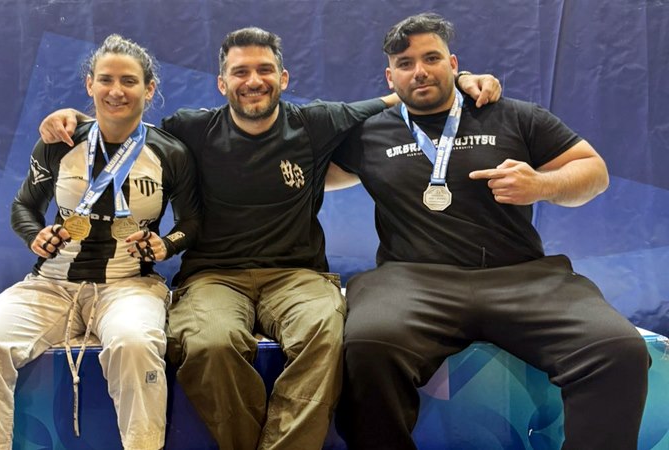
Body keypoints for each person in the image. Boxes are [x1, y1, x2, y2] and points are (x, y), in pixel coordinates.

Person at [39, 27, 500, 450]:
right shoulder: (190, 129)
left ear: (283, 78)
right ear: (222, 84)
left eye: (264, 70)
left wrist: (460, 81)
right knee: (209, 345)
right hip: (212, 278)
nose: (253, 81)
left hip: (298, 276)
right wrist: (76, 119)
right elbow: (124, 129)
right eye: (240, 72)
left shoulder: (316, 121)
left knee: (325, 336)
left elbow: (396, 96)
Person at [330, 13, 651, 450]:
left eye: (431, 58)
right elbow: (304, 168)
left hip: (523, 277)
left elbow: (594, 171)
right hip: (410, 281)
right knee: (367, 348)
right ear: (390, 77)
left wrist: (542, 185)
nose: (419, 71)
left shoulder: (512, 115)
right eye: (405, 63)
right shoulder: (367, 132)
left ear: (453, 63)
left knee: (617, 349)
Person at [0, 34, 200, 450]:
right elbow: (24, 206)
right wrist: (34, 235)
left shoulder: (170, 152)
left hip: (130, 286)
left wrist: (167, 245)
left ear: (149, 89)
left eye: (129, 81)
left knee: (136, 345)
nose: (116, 90)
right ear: (89, 84)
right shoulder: (59, 142)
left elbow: (191, 221)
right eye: (106, 79)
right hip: (51, 284)